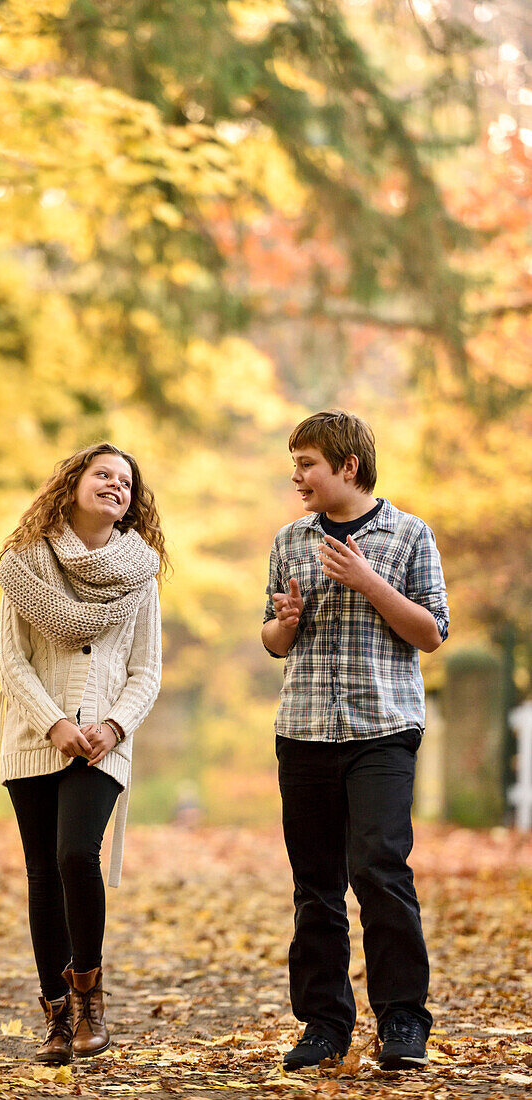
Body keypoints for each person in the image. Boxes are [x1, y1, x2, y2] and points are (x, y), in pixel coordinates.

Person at [261, 410, 449, 1073]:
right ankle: (323, 1026)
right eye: (294, 462)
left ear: (348, 466)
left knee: (379, 870)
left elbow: (430, 633)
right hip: (304, 730)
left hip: (383, 731)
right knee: (315, 885)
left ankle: (402, 1021)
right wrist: (283, 624)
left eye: (307, 462)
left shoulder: (410, 536)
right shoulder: (289, 541)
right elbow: (273, 640)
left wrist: (369, 582)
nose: (297, 475)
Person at [0, 442, 166, 1064]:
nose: (115, 485)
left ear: (131, 503)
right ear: (74, 483)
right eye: (103, 474)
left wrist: (113, 728)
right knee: (42, 874)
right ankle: (57, 1018)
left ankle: (89, 994)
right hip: (34, 739)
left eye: (126, 482)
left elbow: (147, 670)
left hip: (105, 744)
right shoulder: (26, 564)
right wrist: (54, 723)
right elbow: (10, 659)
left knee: (75, 854)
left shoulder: (140, 572)